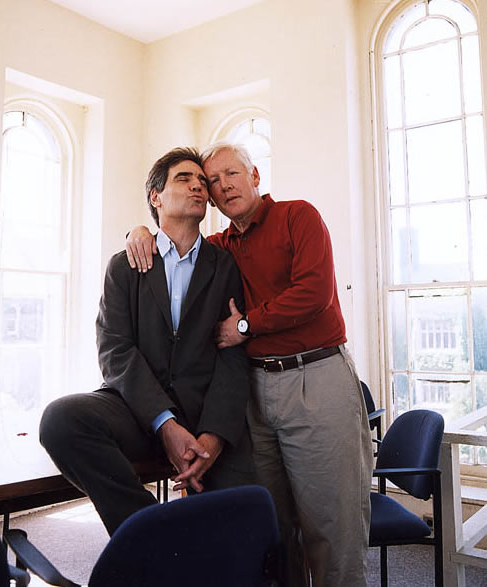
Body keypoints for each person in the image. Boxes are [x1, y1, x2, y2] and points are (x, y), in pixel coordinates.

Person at [126, 142, 373, 587]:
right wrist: (139, 231)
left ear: (255, 176)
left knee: (332, 527)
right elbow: (177, 242)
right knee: (274, 526)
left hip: (315, 379)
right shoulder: (221, 247)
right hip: (255, 395)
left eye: (230, 175)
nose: (221, 186)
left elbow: (314, 293)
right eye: (211, 182)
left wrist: (245, 324)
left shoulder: (299, 216)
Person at [40, 147, 254, 536]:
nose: (198, 187)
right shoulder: (124, 265)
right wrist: (165, 423)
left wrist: (215, 436)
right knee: (61, 419)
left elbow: (233, 358)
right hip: (137, 411)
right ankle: (150, 534)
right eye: (184, 179)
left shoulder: (224, 265)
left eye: (202, 182)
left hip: (206, 418)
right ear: (155, 198)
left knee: (246, 528)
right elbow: (115, 349)